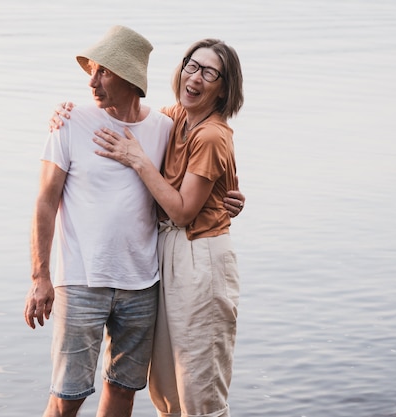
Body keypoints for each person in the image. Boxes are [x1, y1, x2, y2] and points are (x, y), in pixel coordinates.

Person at [24, 25, 174, 417]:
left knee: (123, 391)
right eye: (92, 69)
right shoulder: (70, 122)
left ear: (129, 79)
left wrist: (232, 197)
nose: (92, 80)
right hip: (80, 281)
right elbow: (44, 201)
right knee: (67, 395)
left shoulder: (164, 129)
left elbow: (195, 181)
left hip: (142, 284)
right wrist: (40, 277)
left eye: (103, 71)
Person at [92, 38, 244, 417]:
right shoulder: (174, 118)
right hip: (168, 254)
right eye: (192, 65)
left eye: (210, 73)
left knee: (199, 386)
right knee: (167, 385)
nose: (196, 77)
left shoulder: (210, 135)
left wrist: (138, 160)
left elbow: (182, 212)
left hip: (200, 257)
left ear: (224, 88)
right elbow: (124, 113)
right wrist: (65, 113)